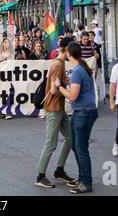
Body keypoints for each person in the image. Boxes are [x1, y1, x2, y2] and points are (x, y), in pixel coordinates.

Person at [55, 42, 98, 194]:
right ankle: (82, 179)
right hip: (81, 111)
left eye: (65, 52)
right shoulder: (80, 69)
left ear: (68, 53)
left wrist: (59, 86)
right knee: (75, 146)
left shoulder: (78, 71)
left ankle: (86, 182)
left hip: (84, 112)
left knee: (81, 149)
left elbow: (73, 96)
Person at [35, 37, 75, 189]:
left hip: (59, 109)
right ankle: (40, 176)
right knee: (50, 144)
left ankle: (59, 170)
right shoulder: (58, 64)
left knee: (70, 138)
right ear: (68, 49)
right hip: (53, 108)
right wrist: (67, 91)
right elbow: (53, 89)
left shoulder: (60, 63)